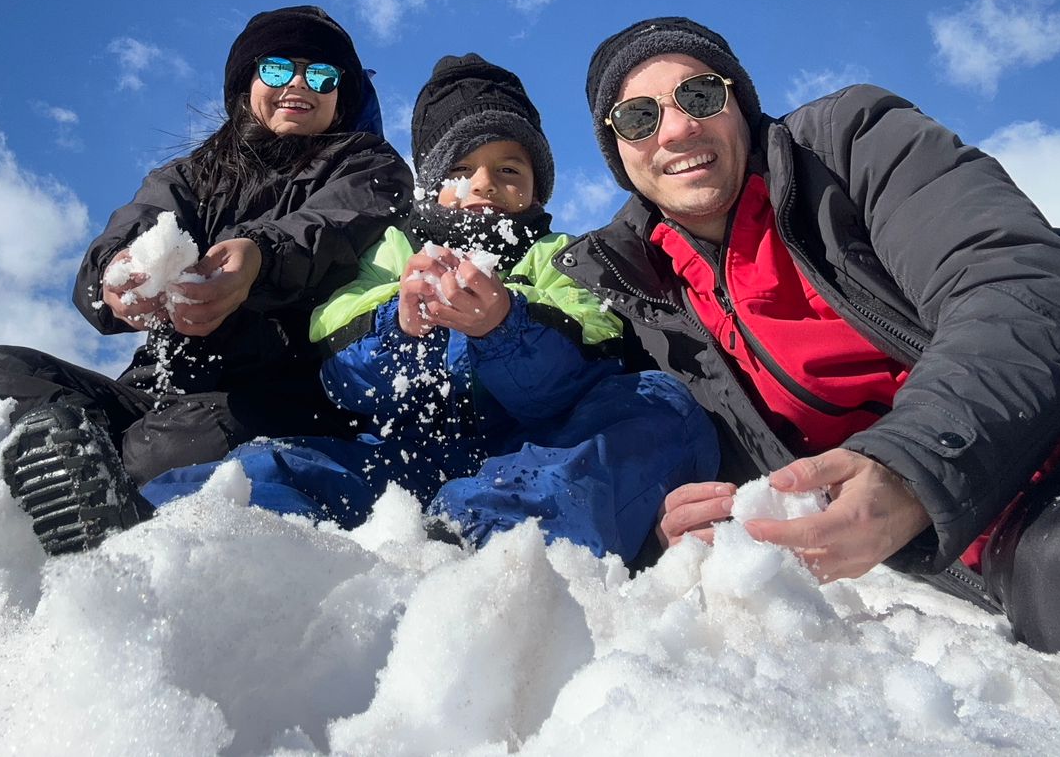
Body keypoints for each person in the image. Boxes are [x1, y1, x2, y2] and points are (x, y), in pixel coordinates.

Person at [556, 15, 1060, 680]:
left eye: (700, 94)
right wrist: (668, 529)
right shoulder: (640, 302)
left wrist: (911, 469)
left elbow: (1012, 280)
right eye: (639, 117)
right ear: (617, 151)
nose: (677, 128)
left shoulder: (846, 144)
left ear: (739, 104)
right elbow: (639, 450)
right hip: (1043, 521)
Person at [143, 54, 720, 561]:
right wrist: (400, 326)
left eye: (509, 170)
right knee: (261, 470)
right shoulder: (392, 249)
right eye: (460, 170)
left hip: (529, 459)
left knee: (660, 405)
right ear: (431, 185)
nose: (483, 185)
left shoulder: (563, 255)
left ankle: (481, 546)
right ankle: (175, 538)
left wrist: (505, 327)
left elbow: (587, 358)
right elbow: (339, 365)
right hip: (394, 464)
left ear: (537, 188)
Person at [0, 5, 411, 554]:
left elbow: (328, 229)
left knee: (160, 452)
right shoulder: (191, 175)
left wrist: (257, 258)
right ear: (246, 84)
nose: (300, 84)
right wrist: (117, 278)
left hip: (275, 394)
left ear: (341, 97)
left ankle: (84, 525)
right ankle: (52, 483)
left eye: (323, 75)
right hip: (154, 389)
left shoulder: (371, 166)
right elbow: (139, 224)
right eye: (279, 68)